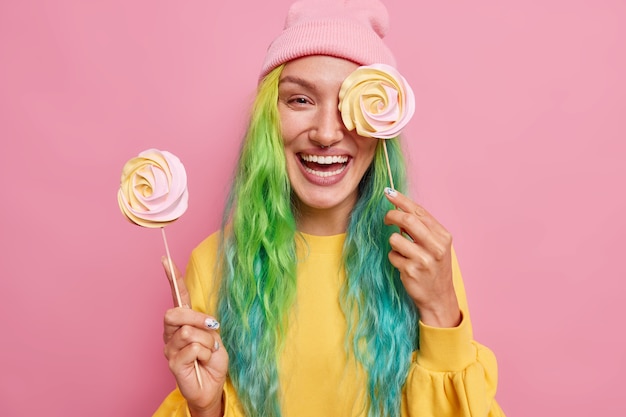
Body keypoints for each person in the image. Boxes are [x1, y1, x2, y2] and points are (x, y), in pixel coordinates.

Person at [153, 0, 505, 416]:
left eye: (352, 103)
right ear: (270, 117)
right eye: (300, 100)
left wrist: (441, 309)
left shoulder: (421, 261)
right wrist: (207, 405)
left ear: (383, 124)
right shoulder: (214, 263)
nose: (325, 133)